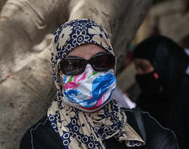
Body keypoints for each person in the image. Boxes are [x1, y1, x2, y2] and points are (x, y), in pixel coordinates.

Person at [20, 19, 179, 149]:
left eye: (100, 61)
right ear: (58, 74)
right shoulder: (40, 140)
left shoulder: (144, 128)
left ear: (113, 65)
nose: (89, 73)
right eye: (74, 65)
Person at [133, 35, 189, 149]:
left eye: (143, 67)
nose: (139, 74)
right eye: (137, 68)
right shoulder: (146, 100)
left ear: (162, 64)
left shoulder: (185, 94)